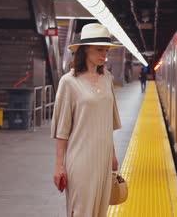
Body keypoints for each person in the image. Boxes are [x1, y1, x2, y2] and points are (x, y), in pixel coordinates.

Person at [51, 23, 123, 217]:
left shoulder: (107, 78)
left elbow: (109, 121)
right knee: (81, 210)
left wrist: (113, 154)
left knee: (100, 209)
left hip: (104, 157)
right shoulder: (69, 81)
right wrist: (59, 165)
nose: (104, 55)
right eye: (99, 49)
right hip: (80, 158)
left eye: (106, 50)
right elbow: (62, 128)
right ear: (85, 50)